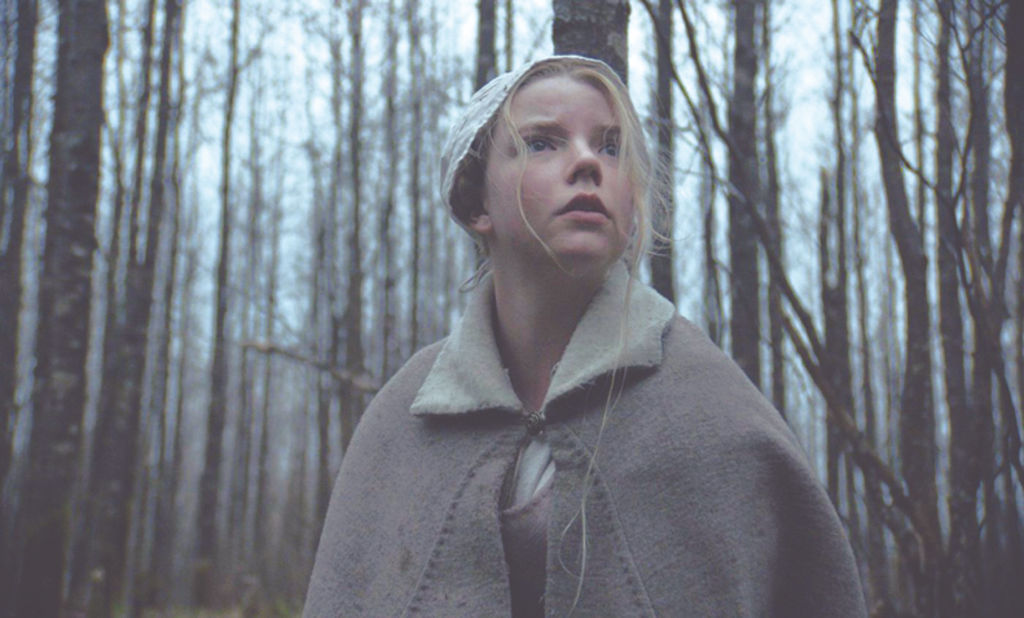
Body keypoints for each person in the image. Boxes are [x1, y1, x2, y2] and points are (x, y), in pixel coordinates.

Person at [303, 55, 866, 617]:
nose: (588, 163)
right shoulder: (405, 418)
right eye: (542, 143)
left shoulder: (711, 408)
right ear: (476, 202)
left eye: (611, 147)